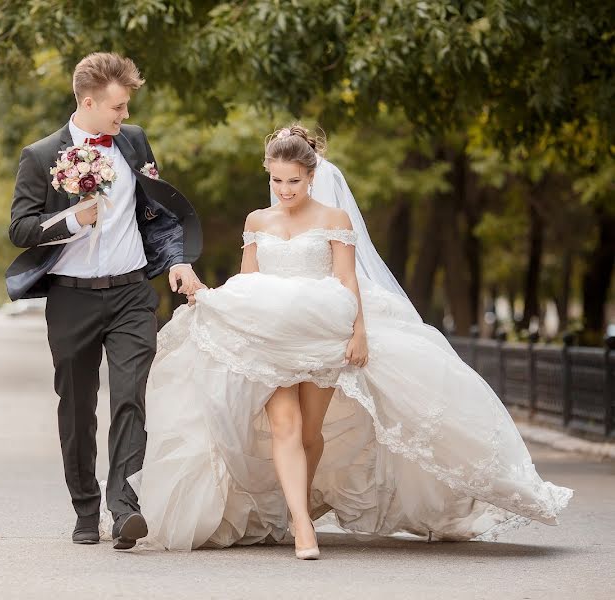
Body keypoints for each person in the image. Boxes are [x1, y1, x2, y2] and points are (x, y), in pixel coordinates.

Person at [129, 124, 572, 559]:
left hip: (321, 332)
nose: (284, 189)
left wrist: (358, 333)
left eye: (294, 181)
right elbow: (249, 280)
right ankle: (302, 526)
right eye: (277, 180)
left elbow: (347, 279)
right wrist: (218, 305)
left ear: (312, 175)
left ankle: (297, 508)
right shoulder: (257, 220)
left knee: (310, 432)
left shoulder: (332, 218)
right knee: (284, 426)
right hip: (268, 336)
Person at [5, 52, 205, 549]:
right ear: (89, 102)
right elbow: (20, 229)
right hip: (70, 299)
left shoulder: (133, 144)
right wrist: (74, 219)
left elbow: (157, 212)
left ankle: (124, 507)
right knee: (76, 408)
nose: (125, 118)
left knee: (130, 397)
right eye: (117, 108)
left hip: (132, 292)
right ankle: (86, 508)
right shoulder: (41, 155)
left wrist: (177, 260)